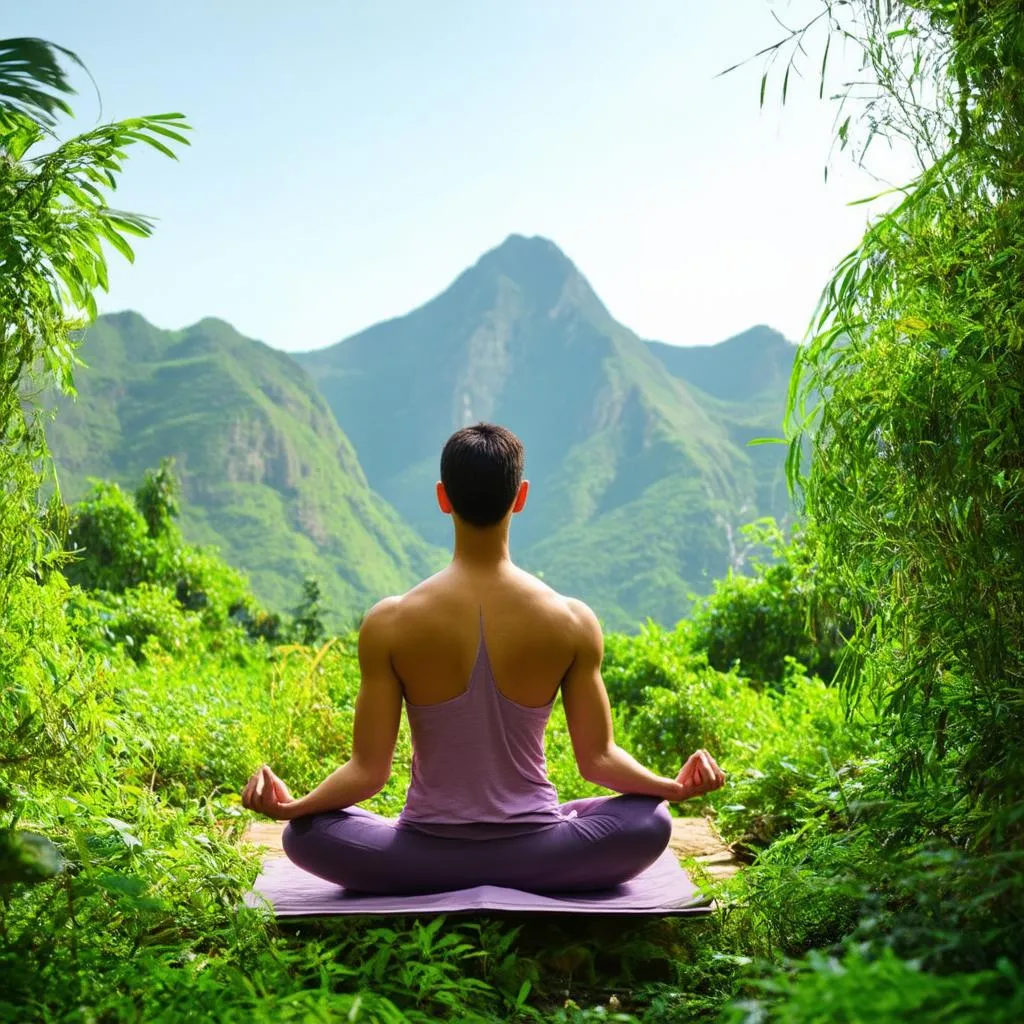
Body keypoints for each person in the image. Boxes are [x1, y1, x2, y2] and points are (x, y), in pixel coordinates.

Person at [242, 423, 725, 895]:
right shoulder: (572, 620)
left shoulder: (389, 622)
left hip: (421, 856)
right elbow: (597, 759)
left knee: (307, 834)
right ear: (521, 496)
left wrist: (295, 808)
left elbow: (368, 771)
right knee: (648, 821)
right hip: (541, 852)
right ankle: (533, 861)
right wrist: (672, 788)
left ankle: (435, 874)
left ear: (442, 497)